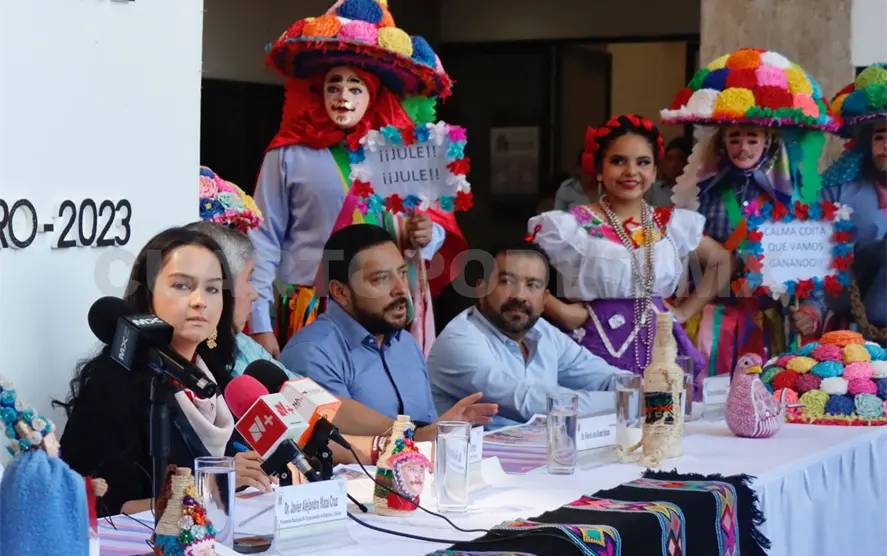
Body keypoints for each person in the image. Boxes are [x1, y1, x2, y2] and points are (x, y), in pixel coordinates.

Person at [250, 0, 467, 359]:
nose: (343, 97)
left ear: (374, 94)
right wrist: (259, 324)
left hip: (385, 314)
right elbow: (263, 238)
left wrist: (426, 236)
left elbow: (430, 229)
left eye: (355, 87)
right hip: (309, 312)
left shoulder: (402, 153)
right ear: (319, 91)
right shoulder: (288, 153)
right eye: (334, 85)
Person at [56, 227, 274, 516]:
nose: (200, 301)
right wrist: (210, 487)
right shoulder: (111, 387)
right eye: (182, 286)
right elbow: (100, 508)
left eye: (212, 288)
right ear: (147, 296)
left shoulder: (218, 379)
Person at [661, 48, 836, 372]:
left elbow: (811, 266)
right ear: (722, 141)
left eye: (752, 139)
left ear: (768, 141)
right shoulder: (701, 194)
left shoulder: (792, 198)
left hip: (767, 324)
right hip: (710, 322)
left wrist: (810, 311)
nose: (743, 148)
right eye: (735, 138)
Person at [529, 114, 731, 379]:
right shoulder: (570, 225)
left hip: (660, 345)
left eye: (643, 162)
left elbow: (721, 260)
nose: (631, 171)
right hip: (594, 344)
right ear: (599, 169)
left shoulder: (671, 224)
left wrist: (684, 311)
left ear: (654, 171)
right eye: (618, 161)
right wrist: (560, 310)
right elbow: (519, 274)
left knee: (663, 404)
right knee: (599, 403)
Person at [280, 224, 498, 442]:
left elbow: (428, 427)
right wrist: (419, 437)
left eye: (402, 273)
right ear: (341, 292)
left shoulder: (405, 343)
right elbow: (339, 446)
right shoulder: (313, 352)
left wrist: (443, 433)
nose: (401, 288)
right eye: (381, 278)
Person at [427, 241, 625, 427]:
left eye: (532, 285)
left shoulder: (542, 331)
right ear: (481, 289)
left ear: (545, 299)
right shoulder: (459, 340)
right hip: (475, 453)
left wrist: (638, 391)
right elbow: (526, 402)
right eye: (506, 281)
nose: (519, 296)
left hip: (541, 449)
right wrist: (627, 400)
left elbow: (606, 378)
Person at [812, 63, 887, 337]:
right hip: (855, 337)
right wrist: (811, 309)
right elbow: (813, 259)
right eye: (880, 137)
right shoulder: (836, 192)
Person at [646, 136, 692, 206]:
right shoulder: (652, 190)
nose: (674, 165)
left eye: (681, 160)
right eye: (669, 159)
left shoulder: (697, 193)